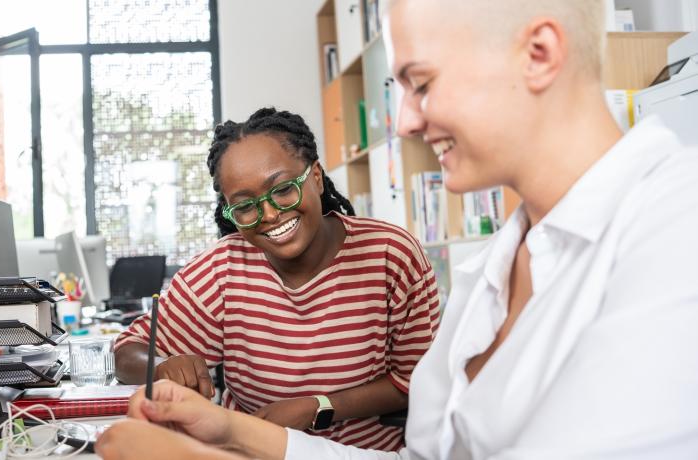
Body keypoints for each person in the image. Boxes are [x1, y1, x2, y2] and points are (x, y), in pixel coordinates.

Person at [96, 0, 698, 458]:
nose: (406, 121)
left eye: (423, 82)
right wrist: (233, 430)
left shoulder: (675, 233)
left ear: (539, 53)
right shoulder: (493, 269)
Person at [112, 107, 441, 450]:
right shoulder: (219, 271)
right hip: (253, 452)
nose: (268, 215)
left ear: (315, 176)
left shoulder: (392, 256)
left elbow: (416, 381)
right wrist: (163, 366)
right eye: (245, 206)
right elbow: (127, 352)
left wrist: (319, 407)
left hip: (364, 453)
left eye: (283, 189)